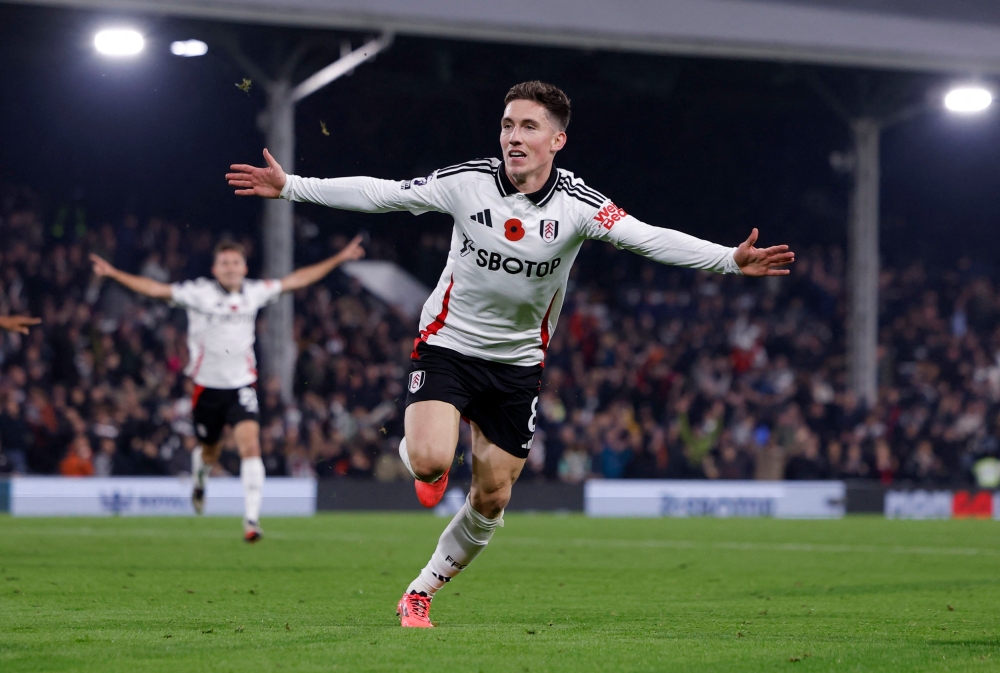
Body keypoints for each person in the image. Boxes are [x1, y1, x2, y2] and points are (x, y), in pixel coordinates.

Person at [226, 80, 794, 625]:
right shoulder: (466, 182)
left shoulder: (579, 205)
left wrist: (727, 259)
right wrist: (294, 185)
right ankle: (424, 454)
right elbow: (384, 194)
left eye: (529, 126)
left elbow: (647, 236)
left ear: (557, 141)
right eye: (506, 125)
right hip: (448, 345)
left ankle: (419, 593)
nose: (513, 137)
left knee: (492, 496)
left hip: (518, 365)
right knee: (428, 461)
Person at [90, 237, 364, 541]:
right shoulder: (198, 293)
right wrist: (114, 273)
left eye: (235, 263)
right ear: (215, 268)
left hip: (241, 386)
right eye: (225, 263)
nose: (231, 268)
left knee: (251, 446)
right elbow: (155, 289)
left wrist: (338, 258)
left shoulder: (255, 292)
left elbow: (296, 280)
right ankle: (199, 480)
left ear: (244, 267)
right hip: (207, 389)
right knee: (209, 453)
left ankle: (251, 519)